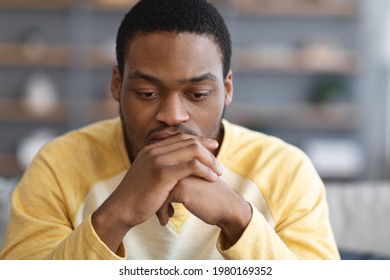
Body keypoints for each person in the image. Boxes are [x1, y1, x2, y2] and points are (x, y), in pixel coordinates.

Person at [0, 0, 340, 260]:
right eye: (148, 93)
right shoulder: (58, 165)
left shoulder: (286, 170)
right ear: (117, 84)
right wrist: (116, 215)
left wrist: (238, 218)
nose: (173, 115)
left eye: (198, 95)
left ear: (228, 89)